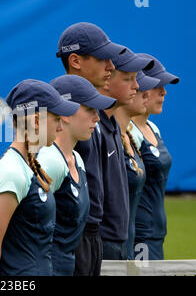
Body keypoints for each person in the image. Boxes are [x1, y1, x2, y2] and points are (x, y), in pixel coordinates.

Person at [0, 79, 80, 276]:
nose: (60, 127)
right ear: (36, 120)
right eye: (56, 118)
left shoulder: (29, 166)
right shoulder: (12, 172)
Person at [56, 22, 126, 276]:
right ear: (75, 60)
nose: (111, 67)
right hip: (74, 242)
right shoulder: (60, 116)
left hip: (94, 238)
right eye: (102, 58)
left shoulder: (94, 116)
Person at [37, 74, 116, 275]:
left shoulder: (77, 159)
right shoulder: (48, 160)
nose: (97, 118)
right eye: (90, 110)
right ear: (65, 113)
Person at [98, 48, 154, 260]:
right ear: (107, 80)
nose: (138, 86)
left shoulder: (113, 129)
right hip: (104, 248)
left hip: (126, 245)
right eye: (129, 79)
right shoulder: (95, 131)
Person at [130, 54, 180, 260]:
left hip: (156, 233)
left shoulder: (153, 128)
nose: (164, 92)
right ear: (139, 87)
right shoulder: (127, 133)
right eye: (157, 86)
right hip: (138, 236)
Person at [114, 71, 160, 259]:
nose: (146, 94)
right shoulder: (105, 137)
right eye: (142, 89)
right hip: (126, 240)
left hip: (141, 236)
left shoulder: (133, 136)